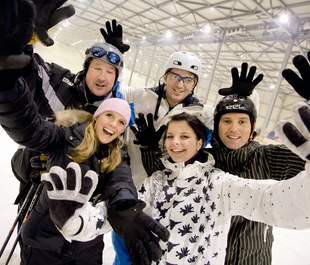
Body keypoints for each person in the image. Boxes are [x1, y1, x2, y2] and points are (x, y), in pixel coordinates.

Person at [0, 1, 169, 264]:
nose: (102, 76)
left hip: (83, 231)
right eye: (97, 68)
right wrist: (25, 40)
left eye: (110, 71)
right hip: (42, 209)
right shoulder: (59, 81)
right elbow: (23, 72)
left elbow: (118, 169)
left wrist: (124, 204)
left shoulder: (110, 117)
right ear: (86, 68)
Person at [136, 59, 307, 265]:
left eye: (242, 121)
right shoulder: (204, 159)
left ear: (253, 127)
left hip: (250, 258)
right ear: (216, 126)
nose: (234, 129)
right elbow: (166, 176)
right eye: (226, 121)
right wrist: (149, 149)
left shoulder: (269, 156)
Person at [111, 49, 212, 264]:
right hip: (130, 188)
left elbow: (227, 134)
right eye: (175, 76)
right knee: (125, 252)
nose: (180, 84)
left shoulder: (200, 113)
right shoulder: (137, 96)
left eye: (188, 79)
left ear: (195, 83)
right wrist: (115, 54)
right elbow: (108, 90)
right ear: (165, 76)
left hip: (168, 198)